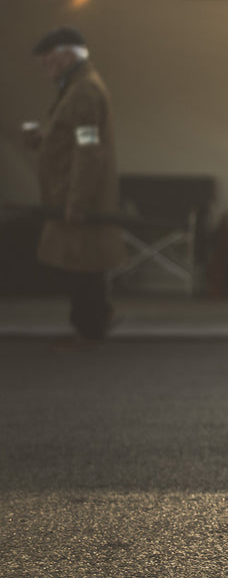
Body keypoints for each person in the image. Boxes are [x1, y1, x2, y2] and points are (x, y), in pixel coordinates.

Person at [23, 27, 125, 344]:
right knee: (83, 263)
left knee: (82, 265)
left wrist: (77, 201)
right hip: (71, 192)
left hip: (77, 195)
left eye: (49, 58)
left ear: (67, 55)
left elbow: (88, 148)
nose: (45, 65)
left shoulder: (83, 92)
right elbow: (75, 138)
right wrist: (44, 140)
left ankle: (89, 329)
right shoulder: (77, 87)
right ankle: (96, 319)